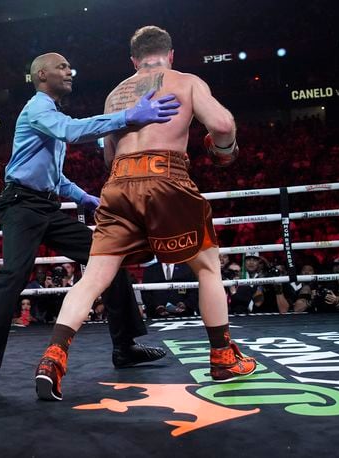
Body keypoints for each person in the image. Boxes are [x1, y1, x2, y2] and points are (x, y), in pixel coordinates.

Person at [34, 26, 256, 401]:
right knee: (207, 266)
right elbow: (221, 125)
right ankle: (222, 356)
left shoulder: (114, 95)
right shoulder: (184, 80)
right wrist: (224, 149)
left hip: (118, 183)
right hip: (166, 176)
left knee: (93, 279)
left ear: (134, 61)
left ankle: (52, 359)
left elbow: (107, 157)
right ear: (170, 55)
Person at [0, 51, 180, 396]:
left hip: (45, 206)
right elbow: (71, 132)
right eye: (61, 67)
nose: (69, 71)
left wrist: (84, 197)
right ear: (42, 75)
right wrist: (127, 116)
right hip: (21, 206)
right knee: (13, 274)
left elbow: (53, 176)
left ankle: (125, 347)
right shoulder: (38, 108)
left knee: (107, 258)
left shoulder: (50, 113)